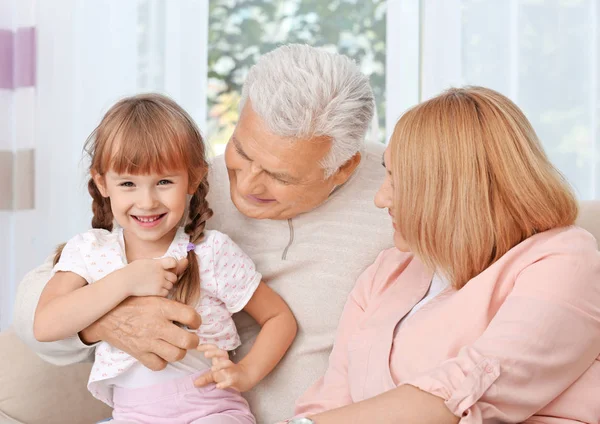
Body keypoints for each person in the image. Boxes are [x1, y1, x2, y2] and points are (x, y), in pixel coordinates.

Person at [13, 44, 393, 423]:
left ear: (342, 168)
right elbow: (37, 317)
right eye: (241, 152)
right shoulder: (178, 191)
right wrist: (108, 320)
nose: (246, 184)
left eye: (279, 175)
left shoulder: (396, 195)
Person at [283, 86, 600, 424]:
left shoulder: (564, 259)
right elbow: (327, 405)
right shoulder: (387, 273)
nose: (380, 198)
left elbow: (476, 383)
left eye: (397, 180)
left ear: (451, 192)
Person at [32, 93, 297, 423]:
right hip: (131, 415)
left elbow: (278, 318)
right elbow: (45, 324)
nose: (146, 201)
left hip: (209, 410)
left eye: (164, 182)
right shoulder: (90, 250)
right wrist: (126, 280)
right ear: (102, 183)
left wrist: (245, 374)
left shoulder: (211, 251)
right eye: (128, 183)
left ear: (194, 177)